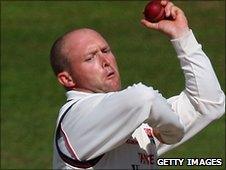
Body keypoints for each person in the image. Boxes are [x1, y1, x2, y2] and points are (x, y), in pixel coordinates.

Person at [50, 1, 225, 169]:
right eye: (90, 58)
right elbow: (144, 99)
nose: (105, 61)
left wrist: (182, 36)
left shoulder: (139, 120)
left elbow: (208, 103)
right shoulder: (77, 118)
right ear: (67, 79)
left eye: (106, 51)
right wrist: (173, 132)